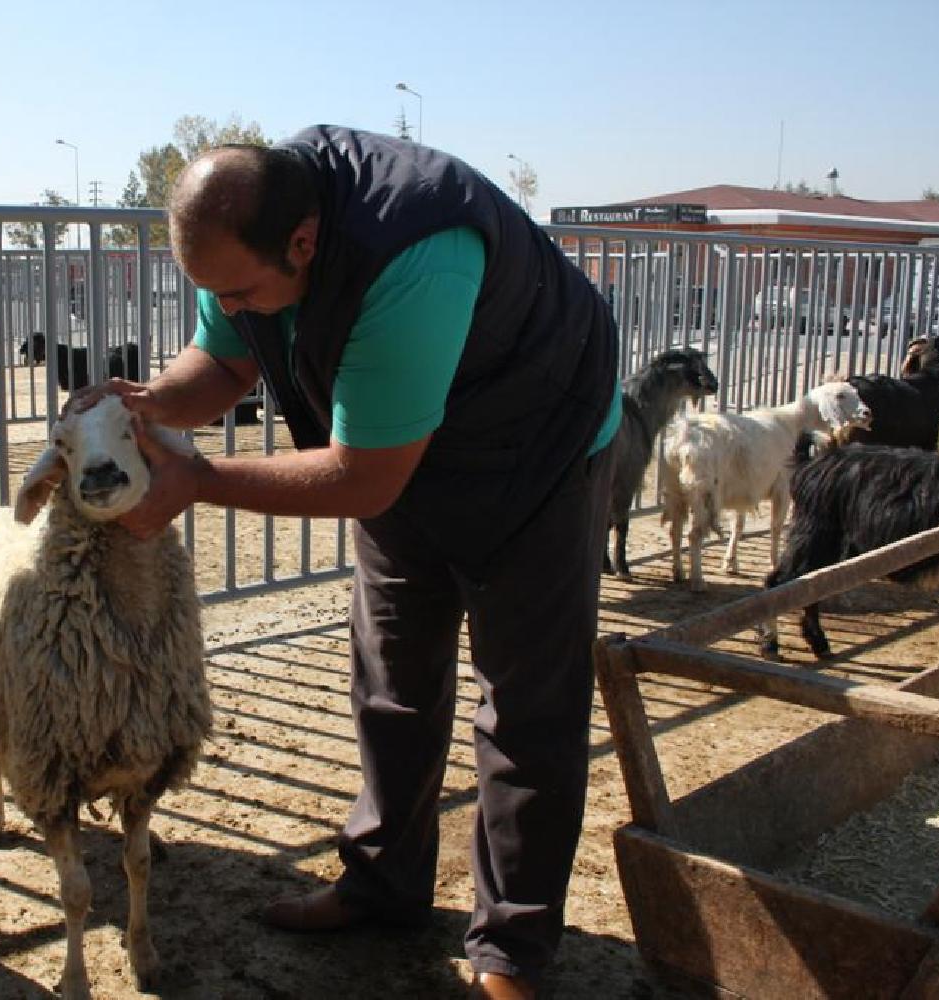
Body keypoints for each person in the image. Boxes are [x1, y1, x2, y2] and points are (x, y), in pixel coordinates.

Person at [89, 127, 620, 999]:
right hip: (401, 445)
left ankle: (512, 955)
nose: (232, 306)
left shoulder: (416, 253)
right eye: (214, 292)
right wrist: (145, 402)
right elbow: (222, 362)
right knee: (391, 678)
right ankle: (383, 886)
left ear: (304, 242)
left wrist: (200, 480)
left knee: (526, 709)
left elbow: (364, 477)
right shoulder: (251, 226)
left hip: (537, 453)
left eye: (239, 292)